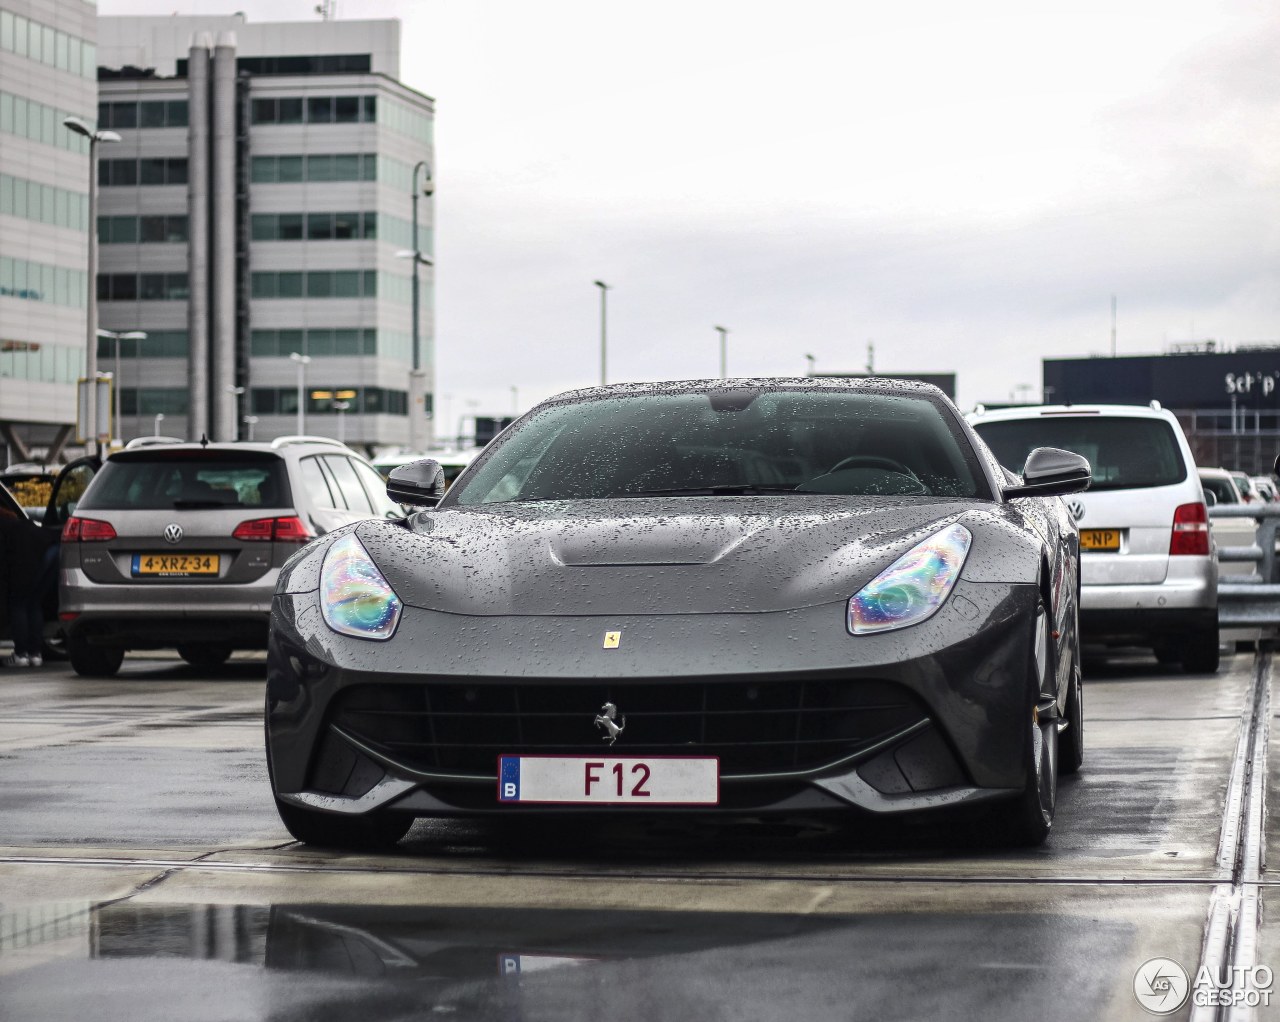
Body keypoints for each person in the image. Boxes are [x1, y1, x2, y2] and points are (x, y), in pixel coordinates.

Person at [0, 510, 53, 668]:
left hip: (25, 559)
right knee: (34, 603)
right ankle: (35, 654)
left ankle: (21, 654)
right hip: (48, 552)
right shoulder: (16, 523)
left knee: (18, 603)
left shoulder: (6, 531)